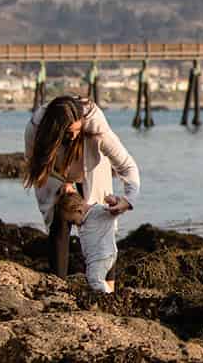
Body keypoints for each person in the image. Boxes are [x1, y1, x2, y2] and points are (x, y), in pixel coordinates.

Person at [23, 94, 140, 293]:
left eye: (78, 130)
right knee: (58, 219)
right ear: (56, 131)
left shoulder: (97, 128)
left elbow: (128, 167)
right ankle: (57, 288)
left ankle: (108, 291)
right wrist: (62, 183)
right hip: (55, 171)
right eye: (69, 133)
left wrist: (127, 200)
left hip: (92, 165)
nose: (74, 135)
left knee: (103, 217)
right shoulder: (35, 128)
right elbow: (35, 165)